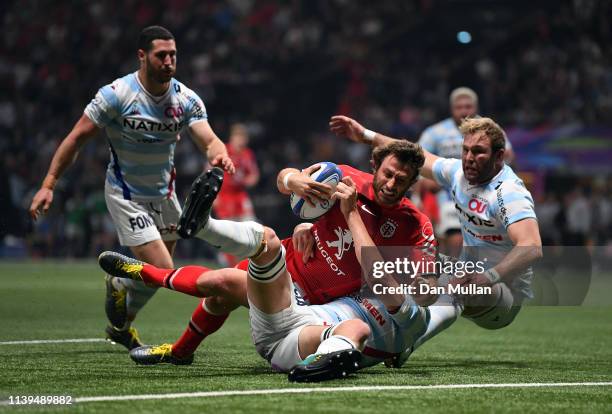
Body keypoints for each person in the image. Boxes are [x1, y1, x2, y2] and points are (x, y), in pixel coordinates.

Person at [97, 140, 438, 367]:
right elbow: (284, 176)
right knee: (221, 292)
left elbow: (422, 290)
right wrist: (295, 183)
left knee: (226, 281)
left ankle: (149, 274)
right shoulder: (344, 177)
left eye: (402, 180)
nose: (391, 184)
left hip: (314, 303)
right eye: (388, 174)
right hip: (290, 263)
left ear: (412, 185)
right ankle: (180, 350)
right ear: (375, 165)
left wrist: (415, 296)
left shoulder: (414, 226)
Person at [28, 26, 235, 350]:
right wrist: (49, 184)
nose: (169, 61)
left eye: (173, 55)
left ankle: (121, 324)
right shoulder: (116, 95)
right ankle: (122, 283)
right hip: (126, 194)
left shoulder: (185, 98)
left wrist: (219, 154)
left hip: (165, 196)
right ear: (142, 56)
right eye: (161, 55)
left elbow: (207, 139)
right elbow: (77, 138)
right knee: (165, 270)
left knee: (154, 277)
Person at [329, 114, 542, 367]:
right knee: (404, 265)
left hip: (504, 294)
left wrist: (488, 277)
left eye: (478, 152)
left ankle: (405, 343)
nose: (469, 158)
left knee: (457, 285)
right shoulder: (459, 173)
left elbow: (531, 247)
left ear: (499, 156)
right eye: (465, 150)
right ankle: (343, 322)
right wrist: (364, 135)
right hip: (467, 271)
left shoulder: (508, 192)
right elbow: (416, 154)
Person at [417, 87, 514, 257]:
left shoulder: (490, 129)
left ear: (475, 107)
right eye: (459, 107)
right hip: (447, 196)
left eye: (468, 106)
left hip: (484, 195)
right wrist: (426, 183)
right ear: (451, 108)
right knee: (450, 240)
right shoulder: (435, 133)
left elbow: (508, 155)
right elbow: (417, 159)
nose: (464, 111)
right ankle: (453, 276)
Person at [213, 123, 260, 266]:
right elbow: (211, 171)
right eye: (238, 137)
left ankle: (251, 262)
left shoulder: (247, 153)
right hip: (225, 196)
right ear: (232, 137)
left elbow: (254, 174)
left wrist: (249, 180)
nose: (241, 140)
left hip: (240, 196)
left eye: (243, 137)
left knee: (252, 227)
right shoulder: (224, 150)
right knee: (228, 232)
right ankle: (229, 262)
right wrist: (214, 195)